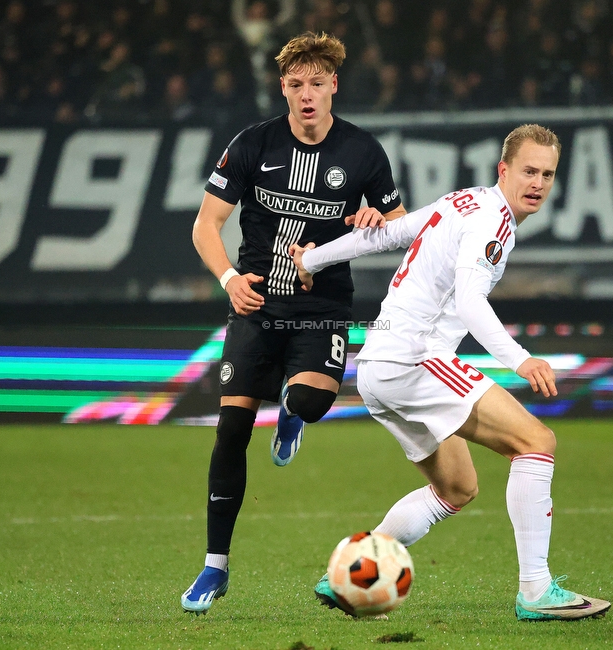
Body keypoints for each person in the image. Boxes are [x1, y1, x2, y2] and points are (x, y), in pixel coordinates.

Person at [290, 124, 611, 621]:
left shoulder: (464, 201)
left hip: (377, 366)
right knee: (536, 442)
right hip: (415, 356)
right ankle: (536, 591)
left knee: (456, 488)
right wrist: (521, 359)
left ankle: (351, 571)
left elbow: (392, 232)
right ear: (503, 170)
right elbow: (468, 299)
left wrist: (312, 258)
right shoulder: (493, 222)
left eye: (548, 174)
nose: (539, 183)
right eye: (528, 170)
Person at [182, 31, 406, 614]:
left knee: (307, 402)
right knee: (231, 430)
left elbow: (401, 224)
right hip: (257, 302)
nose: (306, 95)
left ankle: (292, 414)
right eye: (295, 84)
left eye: (317, 83)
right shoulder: (252, 144)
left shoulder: (362, 152)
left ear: (335, 84)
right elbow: (206, 225)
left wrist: (374, 218)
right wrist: (230, 279)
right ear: (283, 88)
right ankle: (214, 569)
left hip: (322, 309)